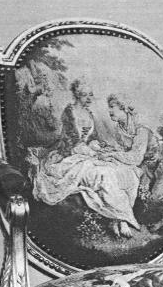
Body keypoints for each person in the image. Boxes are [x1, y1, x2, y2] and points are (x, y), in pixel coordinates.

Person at [26, 83, 143, 238]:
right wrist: (83, 149)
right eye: (84, 95)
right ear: (77, 95)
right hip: (69, 155)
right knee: (102, 174)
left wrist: (95, 145)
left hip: (87, 154)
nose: (89, 99)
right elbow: (68, 141)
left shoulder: (89, 114)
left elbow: (92, 138)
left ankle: (118, 219)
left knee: (122, 171)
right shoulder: (69, 113)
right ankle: (122, 217)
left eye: (90, 95)